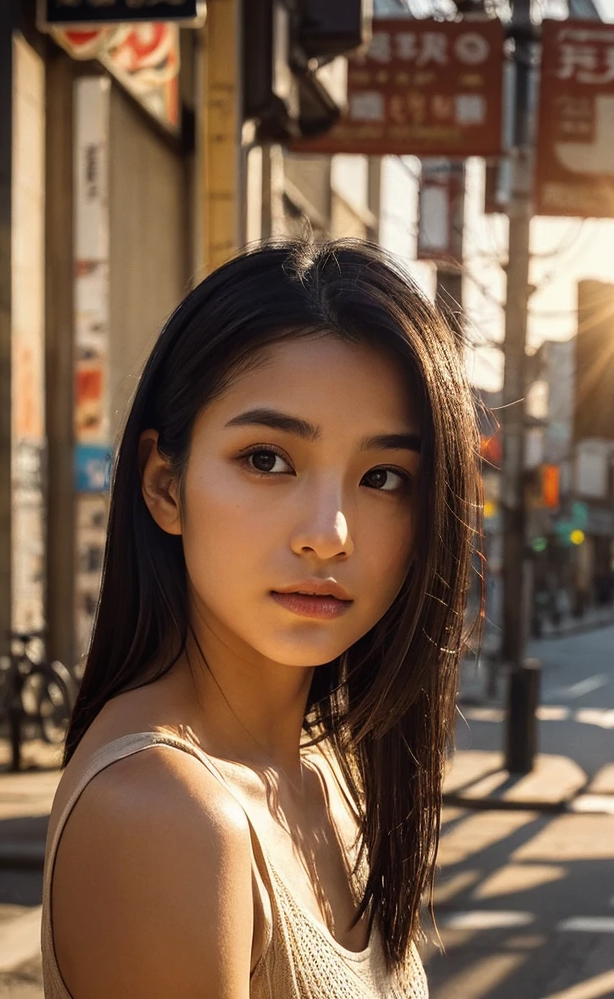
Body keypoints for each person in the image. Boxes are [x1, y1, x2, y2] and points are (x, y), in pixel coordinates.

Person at [41, 240, 482, 999]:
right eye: (267, 459)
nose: (329, 532)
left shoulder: (325, 770)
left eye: (383, 477)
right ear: (165, 486)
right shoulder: (162, 815)